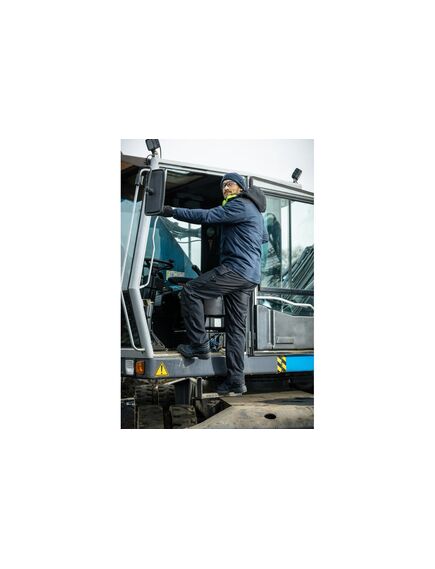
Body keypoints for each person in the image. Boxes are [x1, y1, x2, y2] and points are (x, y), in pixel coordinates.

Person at [160, 172, 268, 395]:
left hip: (236, 269)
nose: (226, 188)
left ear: (240, 188)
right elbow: (263, 238)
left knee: (191, 291)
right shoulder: (255, 211)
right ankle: (236, 380)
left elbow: (207, 216)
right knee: (236, 329)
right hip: (250, 275)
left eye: (230, 184)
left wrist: (172, 211)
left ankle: (199, 344)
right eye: (223, 186)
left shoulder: (240, 204)